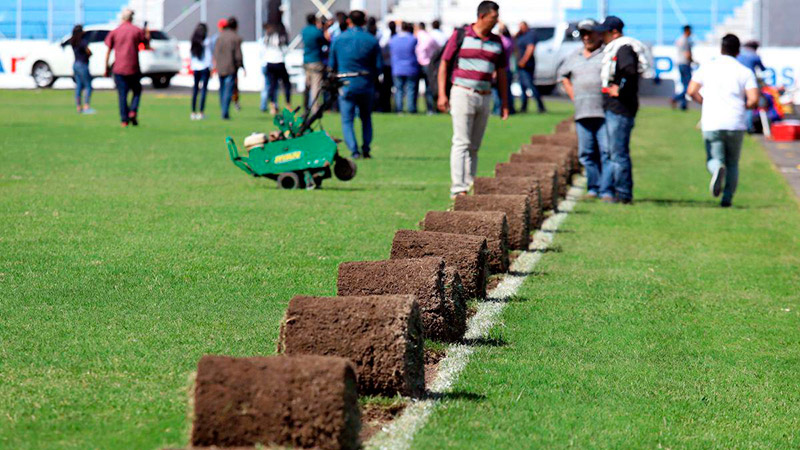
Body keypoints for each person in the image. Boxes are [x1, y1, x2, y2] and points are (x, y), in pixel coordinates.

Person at [438, 1, 509, 198]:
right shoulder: (461, 35)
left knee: (475, 145)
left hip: (485, 95)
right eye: (493, 17)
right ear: (482, 16)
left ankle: (470, 184)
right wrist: (442, 94)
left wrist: (504, 102)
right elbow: (444, 62)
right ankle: (458, 187)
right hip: (462, 92)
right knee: (461, 141)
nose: (496, 21)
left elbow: (502, 72)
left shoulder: (497, 41)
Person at [687, 34, 759, 208]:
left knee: (713, 158)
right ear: (738, 51)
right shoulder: (744, 71)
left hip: (712, 121)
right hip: (735, 122)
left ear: (721, 48)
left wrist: (703, 102)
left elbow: (691, 90)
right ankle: (727, 199)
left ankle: (716, 169)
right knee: (733, 163)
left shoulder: (707, 67)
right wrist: (744, 106)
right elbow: (754, 99)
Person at [559, 19, 610, 200]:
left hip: (604, 112)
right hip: (582, 112)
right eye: (583, 34)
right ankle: (593, 187)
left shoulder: (606, 54)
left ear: (599, 34)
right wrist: (574, 95)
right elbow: (563, 76)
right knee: (587, 153)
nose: (586, 37)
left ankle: (606, 190)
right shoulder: (574, 56)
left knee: (606, 151)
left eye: (590, 33)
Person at [599, 15, 646, 204]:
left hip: (621, 109)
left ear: (614, 32)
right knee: (615, 152)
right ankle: (617, 191)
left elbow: (629, 71)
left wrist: (620, 87)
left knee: (618, 153)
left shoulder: (624, 48)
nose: (602, 37)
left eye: (605, 33)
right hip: (617, 108)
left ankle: (623, 194)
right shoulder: (619, 47)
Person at [330, 10, 383, 159]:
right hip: (365, 83)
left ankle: (354, 150)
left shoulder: (339, 39)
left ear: (348, 21)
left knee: (347, 119)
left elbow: (332, 64)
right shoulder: (371, 40)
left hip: (346, 83)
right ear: (364, 21)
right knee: (366, 117)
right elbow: (378, 66)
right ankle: (366, 148)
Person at [104, 8, 149, 127]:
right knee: (137, 91)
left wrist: (106, 67)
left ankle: (124, 120)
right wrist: (147, 33)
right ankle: (133, 111)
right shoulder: (137, 30)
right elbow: (146, 44)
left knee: (122, 94)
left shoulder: (115, 31)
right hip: (133, 67)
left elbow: (108, 50)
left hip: (119, 68)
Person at [213, 17, 243, 120]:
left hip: (220, 67)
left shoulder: (219, 37)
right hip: (231, 68)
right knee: (228, 91)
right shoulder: (236, 37)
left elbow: (216, 53)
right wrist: (241, 66)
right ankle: (225, 112)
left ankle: (223, 109)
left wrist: (216, 65)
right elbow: (238, 55)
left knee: (222, 90)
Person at [260, 23, 292, 114]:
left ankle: (273, 106)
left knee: (272, 85)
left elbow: (263, 50)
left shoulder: (267, 37)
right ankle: (288, 104)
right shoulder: (280, 36)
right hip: (279, 62)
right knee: (286, 84)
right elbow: (285, 49)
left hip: (269, 63)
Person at [390, 22, 420, 113]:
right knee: (410, 89)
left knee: (398, 90)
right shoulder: (413, 39)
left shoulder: (393, 39)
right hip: (410, 67)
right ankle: (411, 109)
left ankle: (399, 109)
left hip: (397, 68)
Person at [516, 21, 546, 113]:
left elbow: (530, 48)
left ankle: (540, 106)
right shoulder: (521, 35)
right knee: (522, 86)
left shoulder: (530, 35)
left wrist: (523, 61)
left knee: (530, 85)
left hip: (526, 65)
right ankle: (524, 107)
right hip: (520, 65)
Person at [302, 14, 327, 114]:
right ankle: (315, 108)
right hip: (316, 60)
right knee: (315, 86)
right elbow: (324, 42)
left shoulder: (304, 31)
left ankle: (305, 105)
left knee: (307, 84)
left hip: (306, 60)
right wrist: (323, 29)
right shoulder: (316, 32)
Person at [415, 22, 440, 114]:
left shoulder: (416, 37)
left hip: (417, 63)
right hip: (428, 64)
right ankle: (430, 109)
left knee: (413, 88)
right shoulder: (429, 37)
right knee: (429, 87)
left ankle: (412, 108)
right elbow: (438, 47)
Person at [70, 25, 95, 114]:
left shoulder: (73, 41)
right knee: (88, 86)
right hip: (82, 64)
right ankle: (86, 106)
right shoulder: (82, 41)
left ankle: (78, 107)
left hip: (76, 64)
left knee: (79, 86)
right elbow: (88, 51)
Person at [190, 23, 212, 120]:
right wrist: (210, 66)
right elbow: (208, 55)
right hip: (204, 67)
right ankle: (201, 112)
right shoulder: (206, 41)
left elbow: (191, 55)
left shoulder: (194, 40)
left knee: (195, 90)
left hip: (196, 67)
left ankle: (193, 112)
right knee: (203, 90)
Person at [492, 23, 515, 116]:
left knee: (497, 91)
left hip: (500, 69)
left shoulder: (501, 41)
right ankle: (510, 109)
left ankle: (498, 110)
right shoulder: (510, 40)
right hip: (508, 68)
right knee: (507, 91)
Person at [671, 25, 693, 111]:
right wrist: (692, 60)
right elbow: (687, 54)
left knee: (684, 85)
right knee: (688, 86)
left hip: (680, 64)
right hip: (685, 64)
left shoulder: (679, 39)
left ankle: (683, 105)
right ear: (687, 31)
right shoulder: (686, 40)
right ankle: (675, 98)